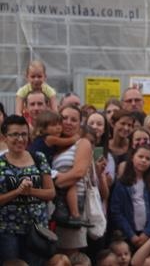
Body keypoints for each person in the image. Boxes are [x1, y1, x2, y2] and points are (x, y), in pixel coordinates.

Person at [0, 114, 56, 264]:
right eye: (15, 134)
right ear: (5, 137)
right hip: (7, 231)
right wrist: (17, 192)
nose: (20, 139)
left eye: (24, 134)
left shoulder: (38, 157)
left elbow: (51, 192)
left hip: (36, 230)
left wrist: (30, 191)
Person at [52, 104, 95, 254]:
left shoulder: (83, 143)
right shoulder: (54, 144)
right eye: (64, 118)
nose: (68, 122)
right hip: (54, 202)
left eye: (74, 120)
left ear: (80, 124)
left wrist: (53, 183)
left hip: (73, 204)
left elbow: (79, 172)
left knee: (69, 253)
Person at [27, 110, 82, 226]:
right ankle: (75, 214)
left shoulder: (41, 139)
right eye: (53, 125)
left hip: (41, 171)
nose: (58, 128)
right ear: (43, 128)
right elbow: (69, 141)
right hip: (41, 170)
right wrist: (78, 135)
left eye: (59, 124)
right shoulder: (49, 138)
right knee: (70, 182)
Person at [109, 143, 150, 249]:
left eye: (148, 159)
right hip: (127, 235)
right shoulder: (122, 183)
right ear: (132, 157)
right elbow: (116, 211)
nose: (144, 160)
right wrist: (131, 235)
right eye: (140, 156)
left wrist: (147, 233)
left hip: (148, 234)